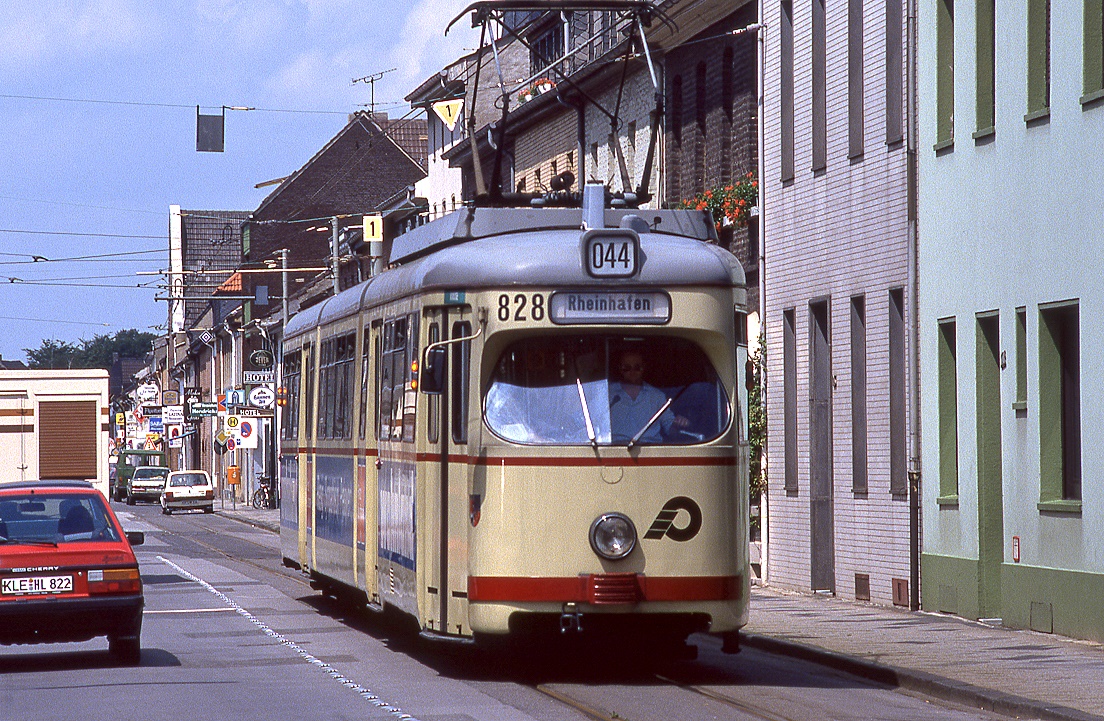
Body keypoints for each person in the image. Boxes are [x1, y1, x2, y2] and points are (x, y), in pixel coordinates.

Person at [608, 350, 689, 443]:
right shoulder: (608, 394)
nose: (632, 372)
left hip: (650, 449)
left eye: (637, 368)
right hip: (614, 449)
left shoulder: (657, 396)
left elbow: (670, 429)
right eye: (626, 368)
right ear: (620, 369)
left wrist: (678, 424)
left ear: (643, 368)